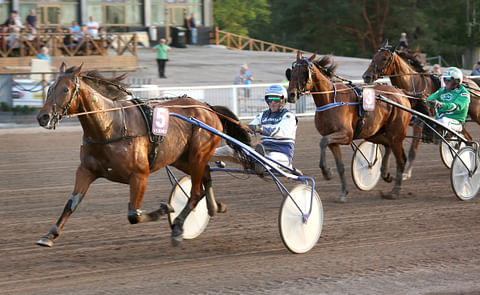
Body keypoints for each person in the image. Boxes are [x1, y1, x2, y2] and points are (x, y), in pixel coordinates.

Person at [213, 85, 298, 175]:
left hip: (281, 154)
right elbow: (249, 130)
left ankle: (262, 164)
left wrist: (261, 128)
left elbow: (281, 131)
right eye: (270, 99)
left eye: (276, 100)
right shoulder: (262, 115)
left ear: (283, 100)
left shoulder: (289, 116)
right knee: (230, 149)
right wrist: (234, 133)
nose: (272, 102)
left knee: (270, 157)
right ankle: (207, 156)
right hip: (262, 152)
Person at [424, 67, 470, 141]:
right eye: (444, 79)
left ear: (457, 80)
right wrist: (429, 102)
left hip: (456, 122)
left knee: (444, 121)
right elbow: (429, 100)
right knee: (423, 120)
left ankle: (440, 135)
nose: (445, 82)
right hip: (440, 120)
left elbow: (456, 107)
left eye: (448, 79)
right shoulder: (442, 90)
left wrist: (440, 104)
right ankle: (430, 135)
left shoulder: (464, 93)